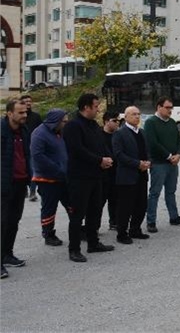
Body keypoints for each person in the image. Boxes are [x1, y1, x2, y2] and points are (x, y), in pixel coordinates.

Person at [63, 94, 115, 263]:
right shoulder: (73, 126)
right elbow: (77, 150)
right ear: (86, 107)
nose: (98, 109)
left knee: (95, 211)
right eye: (95, 106)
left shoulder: (93, 125)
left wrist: (107, 158)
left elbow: (101, 145)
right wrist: (99, 160)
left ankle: (93, 243)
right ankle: (74, 249)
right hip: (79, 177)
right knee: (78, 215)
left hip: (97, 176)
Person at [144, 97, 180, 233]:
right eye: (167, 107)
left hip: (173, 163)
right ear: (159, 107)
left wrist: (178, 155)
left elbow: (179, 141)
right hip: (159, 163)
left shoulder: (172, 123)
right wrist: (169, 156)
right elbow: (152, 143)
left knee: (171, 192)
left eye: (171, 107)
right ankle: (151, 221)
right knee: (155, 193)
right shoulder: (151, 122)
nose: (170, 110)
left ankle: (173, 216)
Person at [30, 109, 70, 247]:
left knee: (72, 204)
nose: (65, 124)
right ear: (56, 121)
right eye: (64, 121)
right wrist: (57, 169)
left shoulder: (59, 133)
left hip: (63, 177)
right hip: (47, 179)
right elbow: (38, 156)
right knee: (49, 208)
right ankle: (48, 233)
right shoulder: (39, 133)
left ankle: (77, 228)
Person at [112, 106, 151, 244]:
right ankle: (122, 233)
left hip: (141, 174)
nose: (137, 116)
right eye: (134, 114)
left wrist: (148, 162)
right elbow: (119, 154)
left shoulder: (142, 132)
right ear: (126, 116)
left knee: (141, 204)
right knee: (125, 206)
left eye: (138, 114)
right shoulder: (120, 133)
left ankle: (135, 229)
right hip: (127, 176)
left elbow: (147, 150)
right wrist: (137, 164)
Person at [1, 100, 30, 278]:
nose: (24, 115)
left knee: (13, 221)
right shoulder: (1, 130)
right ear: (10, 113)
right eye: (20, 113)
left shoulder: (24, 131)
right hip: (4, 183)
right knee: (2, 222)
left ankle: (7, 254)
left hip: (20, 182)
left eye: (25, 112)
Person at [20, 94, 41, 202]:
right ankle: (24, 190)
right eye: (25, 101)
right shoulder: (19, 117)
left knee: (33, 170)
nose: (28, 103)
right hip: (21, 147)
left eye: (29, 101)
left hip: (33, 147)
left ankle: (33, 192)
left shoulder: (36, 117)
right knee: (22, 170)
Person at [101, 111, 120, 230]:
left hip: (116, 172)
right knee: (99, 201)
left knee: (115, 199)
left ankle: (114, 222)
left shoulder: (118, 135)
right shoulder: (98, 134)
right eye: (115, 121)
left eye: (119, 121)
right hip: (102, 173)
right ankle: (93, 226)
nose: (117, 123)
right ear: (106, 121)